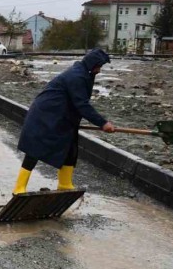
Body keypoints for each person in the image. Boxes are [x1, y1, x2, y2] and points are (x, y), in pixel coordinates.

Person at [13, 48, 115, 194]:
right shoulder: (76, 76)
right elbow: (81, 104)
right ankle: (19, 187)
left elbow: (79, 102)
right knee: (35, 150)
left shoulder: (84, 73)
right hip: (45, 115)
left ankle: (65, 183)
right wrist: (103, 123)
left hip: (61, 116)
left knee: (70, 148)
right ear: (92, 64)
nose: (99, 70)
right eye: (99, 66)